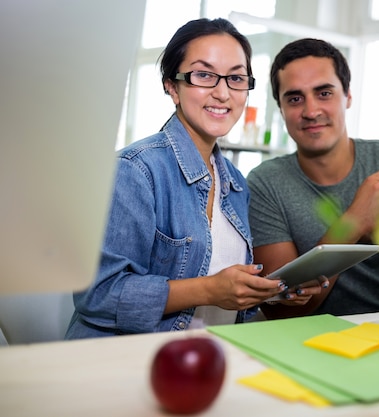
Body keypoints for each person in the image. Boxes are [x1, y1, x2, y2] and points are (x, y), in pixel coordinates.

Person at [65, 18, 287, 339]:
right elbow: (99, 294)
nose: (223, 92)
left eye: (236, 78)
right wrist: (208, 289)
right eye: (204, 75)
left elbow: (229, 304)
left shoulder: (236, 183)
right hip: (127, 360)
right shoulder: (135, 169)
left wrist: (274, 291)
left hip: (208, 360)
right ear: (172, 86)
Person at [247, 38, 379, 319]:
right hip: (306, 337)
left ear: (348, 96)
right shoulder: (264, 183)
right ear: (280, 108)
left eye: (324, 93)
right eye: (294, 98)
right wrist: (353, 223)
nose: (311, 111)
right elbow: (282, 309)